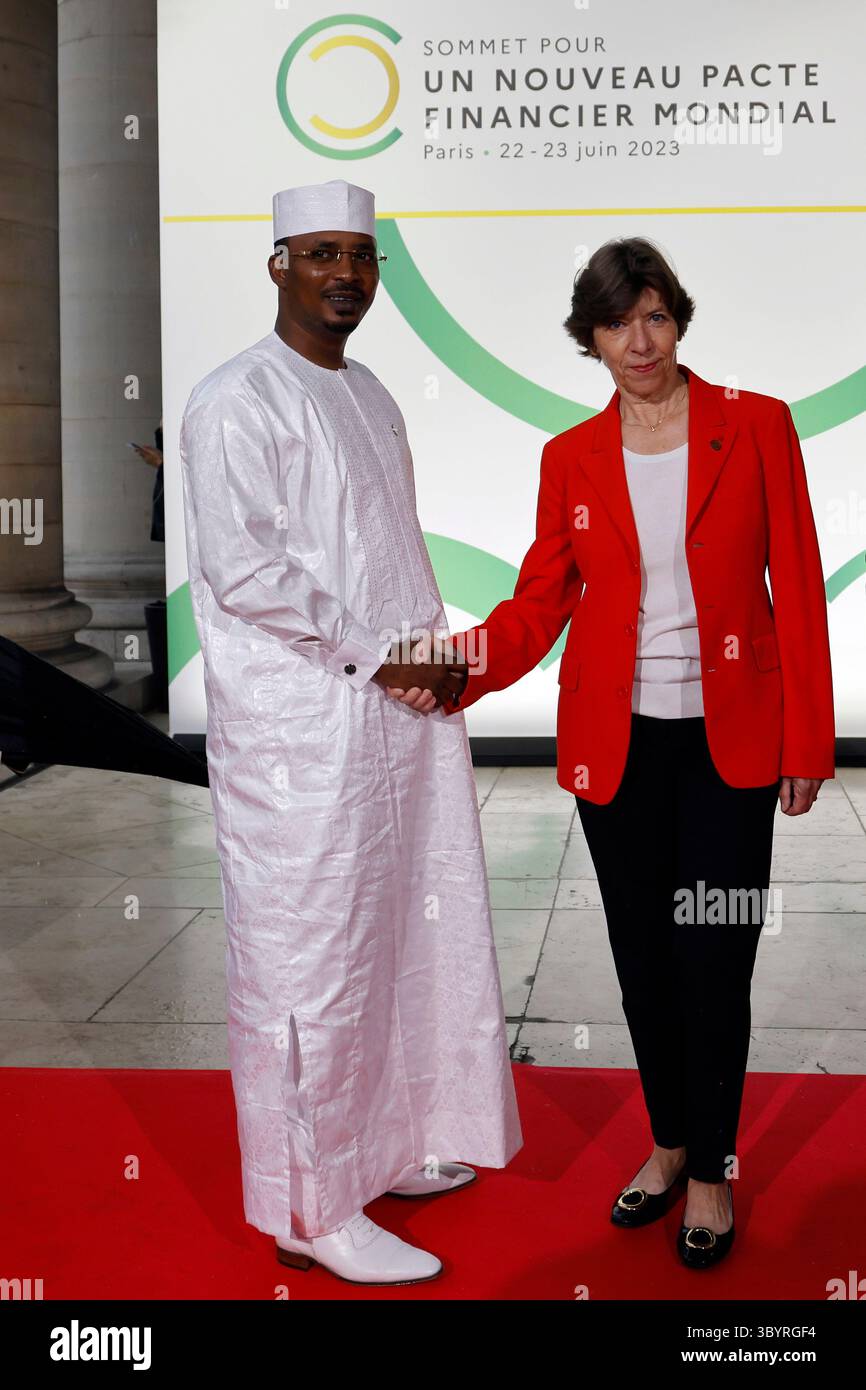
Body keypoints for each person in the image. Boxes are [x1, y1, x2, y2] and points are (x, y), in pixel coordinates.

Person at [417, 237, 835, 1269]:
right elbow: (537, 603)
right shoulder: (570, 457)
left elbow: (797, 586)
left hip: (730, 746)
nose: (637, 342)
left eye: (653, 317)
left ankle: (710, 1173)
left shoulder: (756, 425)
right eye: (615, 324)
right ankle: (666, 1141)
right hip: (619, 753)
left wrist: (806, 741)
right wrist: (453, 661)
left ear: (677, 320)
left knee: (714, 959)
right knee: (644, 965)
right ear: (588, 339)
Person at [178, 179, 522, 1286]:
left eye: (359, 257)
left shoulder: (370, 391)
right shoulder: (235, 400)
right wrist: (382, 658)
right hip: (300, 735)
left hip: (395, 715)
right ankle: (308, 1204)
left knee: (397, 937)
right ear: (276, 262)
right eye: (319, 252)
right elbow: (247, 575)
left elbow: (383, 552)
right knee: (308, 960)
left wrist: (430, 660)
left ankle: (380, 1144)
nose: (343, 274)